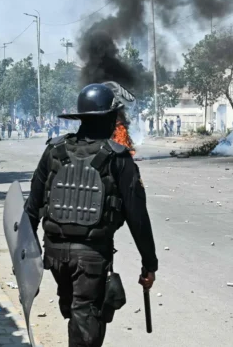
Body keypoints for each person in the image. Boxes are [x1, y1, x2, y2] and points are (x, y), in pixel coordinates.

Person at [24, 84, 158, 346]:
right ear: (109, 118)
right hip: (92, 258)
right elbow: (138, 218)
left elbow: (31, 209)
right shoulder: (118, 158)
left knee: (76, 315)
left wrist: (26, 260)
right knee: (87, 324)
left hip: (54, 256)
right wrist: (149, 264)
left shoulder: (54, 151)